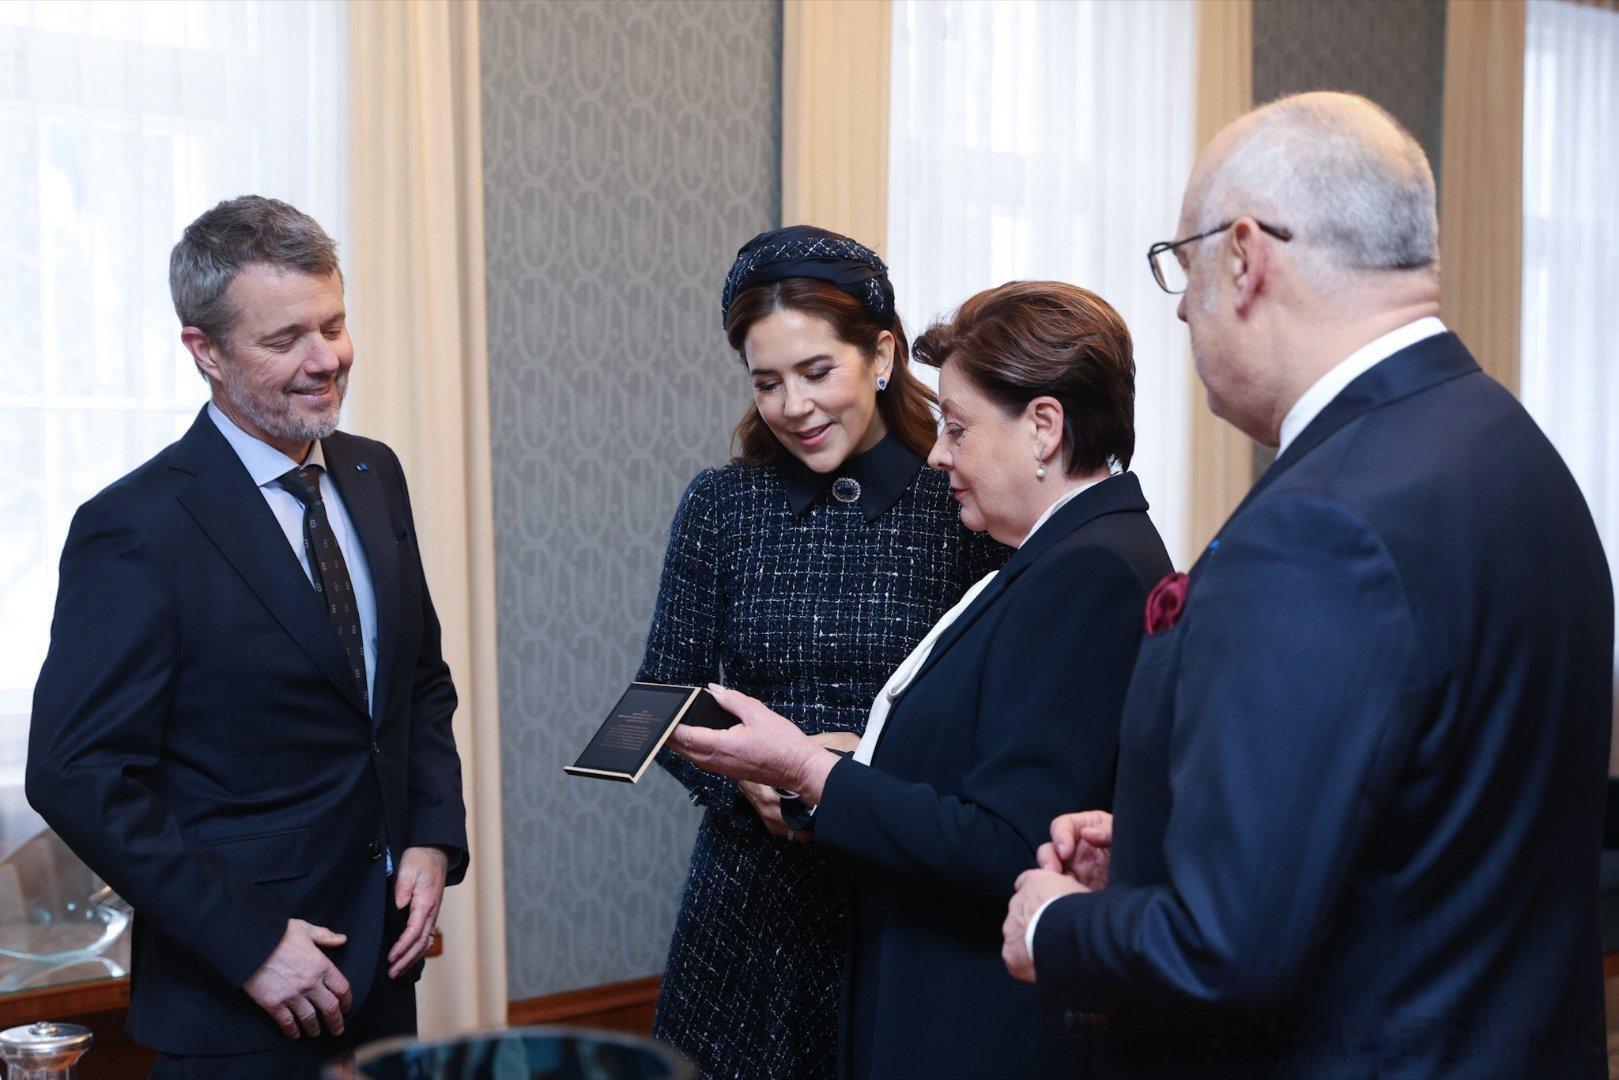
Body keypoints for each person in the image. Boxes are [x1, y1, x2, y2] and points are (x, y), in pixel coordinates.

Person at [1003, 92, 1614, 1078]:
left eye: (1183, 267)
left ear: (1244, 257)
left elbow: (1224, 950)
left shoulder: (1320, 524)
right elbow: (1439, 816)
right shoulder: (1507, 446)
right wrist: (1162, 847)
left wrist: (1057, 926)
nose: (1179, 306)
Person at [670, 280, 1171, 1078]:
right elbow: (977, 765)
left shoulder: (1088, 572)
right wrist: (853, 760)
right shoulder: (1058, 554)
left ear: (1043, 428)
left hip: (972, 1014)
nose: (940, 454)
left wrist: (810, 770)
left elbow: (1009, 840)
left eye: (958, 429)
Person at [27, 196, 468, 1077]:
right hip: (236, 999)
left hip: (383, 970)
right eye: (284, 339)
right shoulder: (136, 527)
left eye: (333, 325)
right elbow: (76, 774)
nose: (325, 359)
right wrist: (252, 941)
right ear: (206, 351)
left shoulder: (374, 473)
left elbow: (417, 682)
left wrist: (431, 835)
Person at [642, 225, 1007, 1078]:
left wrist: (860, 772)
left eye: (816, 372)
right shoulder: (722, 504)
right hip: (746, 912)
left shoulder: (960, 502)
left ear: (880, 355)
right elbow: (659, 699)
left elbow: (996, 717)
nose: (793, 407)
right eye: (766, 382)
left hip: (903, 898)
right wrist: (746, 784)